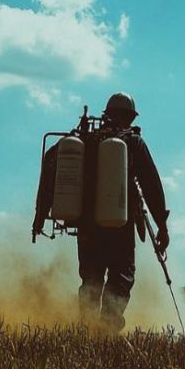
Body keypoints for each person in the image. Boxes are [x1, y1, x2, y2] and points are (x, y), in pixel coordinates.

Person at [32, 92, 170, 331]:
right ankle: (107, 329)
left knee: (91, 280)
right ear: (129, 117)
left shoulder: (81, 140)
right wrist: (162, 225)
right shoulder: (132, 142)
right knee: (121, 278)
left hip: (86, 225)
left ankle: (86, 330)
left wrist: (40, 216)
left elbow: (50, 169)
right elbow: (151, 186)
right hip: (119, 225)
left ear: (106, 114)